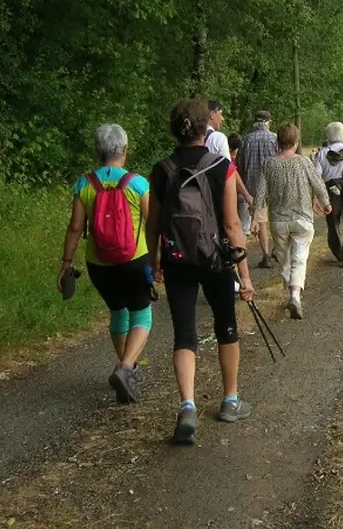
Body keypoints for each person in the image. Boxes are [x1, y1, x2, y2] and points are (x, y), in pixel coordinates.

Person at [145, 99, 255, 445]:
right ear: (206, 129)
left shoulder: (161, 170)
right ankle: (230, 401)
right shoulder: (222, 167)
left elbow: (152, 224)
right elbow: (232, 224)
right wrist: (246, 276)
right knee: (226, 327)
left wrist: (154, 262)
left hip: (178, 260)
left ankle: (188, 405)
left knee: (185, 335)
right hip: (216, 260)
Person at [57, 124, 153, 404]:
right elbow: (152, 223)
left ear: (98, 152)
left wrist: (65, 263)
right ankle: (126, 368)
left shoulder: (84, 184)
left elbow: (75, 228)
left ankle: (126, 369)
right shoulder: (137, 183)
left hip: (99, 264)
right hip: (134, 260)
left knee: (118, 312)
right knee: (142, 315)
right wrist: (160, 259)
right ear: (124, 150)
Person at [252, 123, 331, 320]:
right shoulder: (303, 162)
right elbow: (318, 185)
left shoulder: (269, 164)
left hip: (278, 221)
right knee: (300, 258)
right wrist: (326, 203)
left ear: (278, 142)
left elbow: (260, 194)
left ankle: (291, 292)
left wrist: (255, 217)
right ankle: (295, 296)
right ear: (295, 143)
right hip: (302, 218)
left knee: (285, 259)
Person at [312, 121, 343, 267]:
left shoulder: (321, 154)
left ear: (328, 135)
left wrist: (316, 197)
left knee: (333, 223)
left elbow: (316, 177)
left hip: (330, 192)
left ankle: (338, 253)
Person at [238, 110, 277, 268]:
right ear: (268, 122)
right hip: (274, 185)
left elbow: (240, 166)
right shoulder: (275, 138)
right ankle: (277, 250)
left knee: (260, 222)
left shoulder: (246, 140)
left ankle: (266, 254)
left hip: (253, 188)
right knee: (277, 218)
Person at [207, 99, 254, 214]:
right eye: (221, 114)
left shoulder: (194, 137)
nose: (222, 119)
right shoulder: (217, 138)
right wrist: (247, 196)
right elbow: (229, 170)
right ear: (212, 114)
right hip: (214, 196)